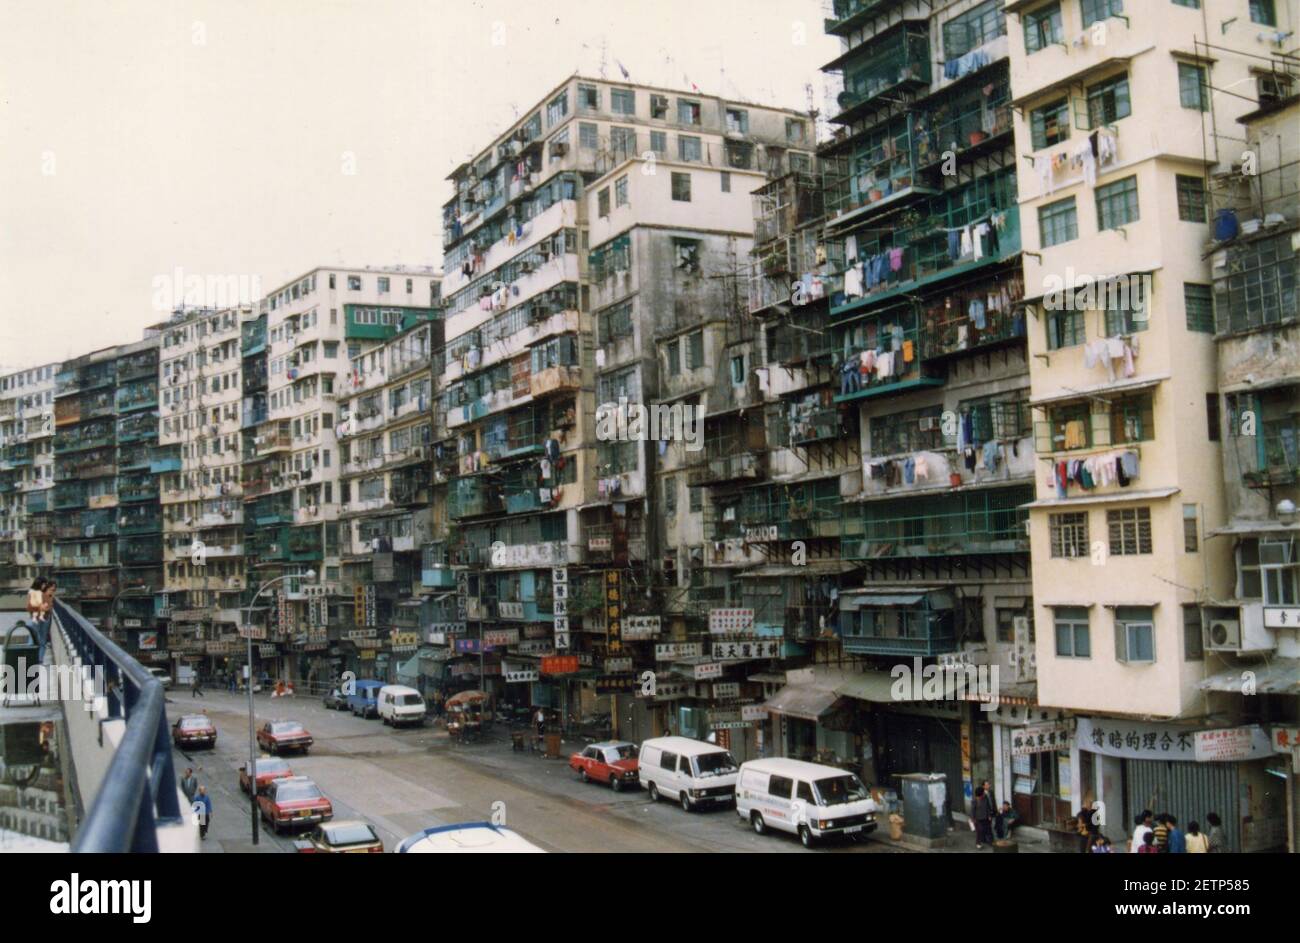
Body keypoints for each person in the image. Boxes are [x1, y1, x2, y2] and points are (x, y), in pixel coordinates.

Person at [971, 782, 995, 848]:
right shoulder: (975, 800)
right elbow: (973, 810)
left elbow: (988, 807)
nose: (984, 793)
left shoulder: (985, 798)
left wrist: (989, 815)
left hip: (986, 817)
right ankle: (978, 843)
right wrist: (973, 819)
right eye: (983, 793)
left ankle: (991, 842)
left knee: (989, 829)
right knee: (979, 831)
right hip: (978, 818)